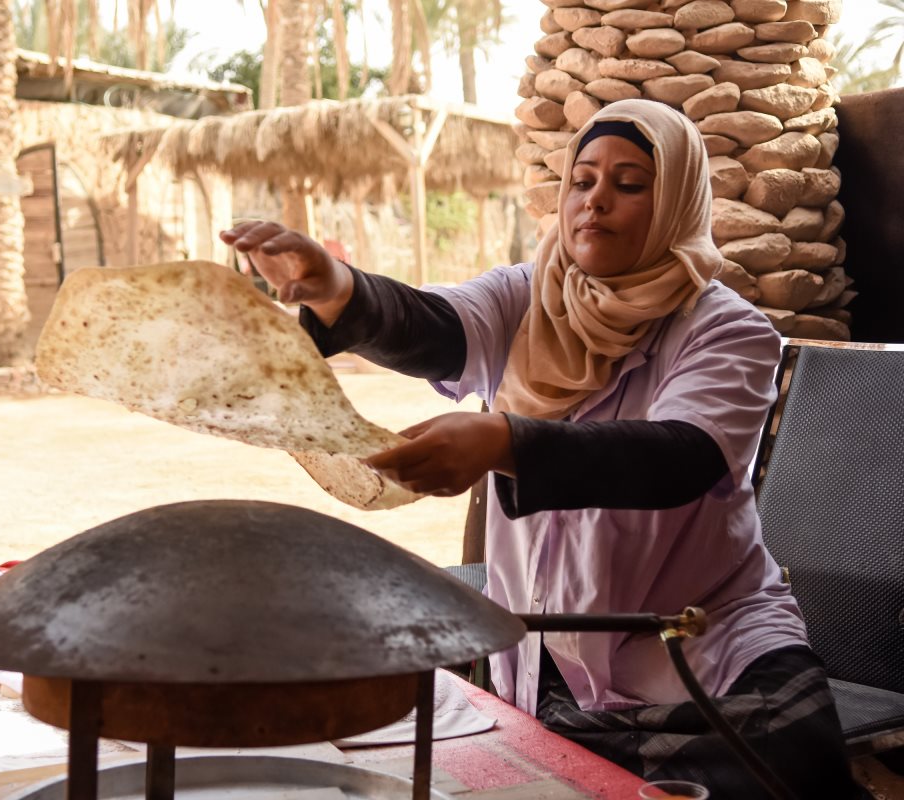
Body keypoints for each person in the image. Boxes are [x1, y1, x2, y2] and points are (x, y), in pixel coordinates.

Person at [220, 100, 861, 798]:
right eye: (582, 181)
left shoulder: (724, 329)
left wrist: (507, 440)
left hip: (707, 651)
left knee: (791, 774)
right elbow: (432, 327)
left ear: (676, 198)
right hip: (547, 658)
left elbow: (681, 456)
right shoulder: (526, 298)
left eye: (630, 184)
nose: (595, 202)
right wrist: (338, 288)